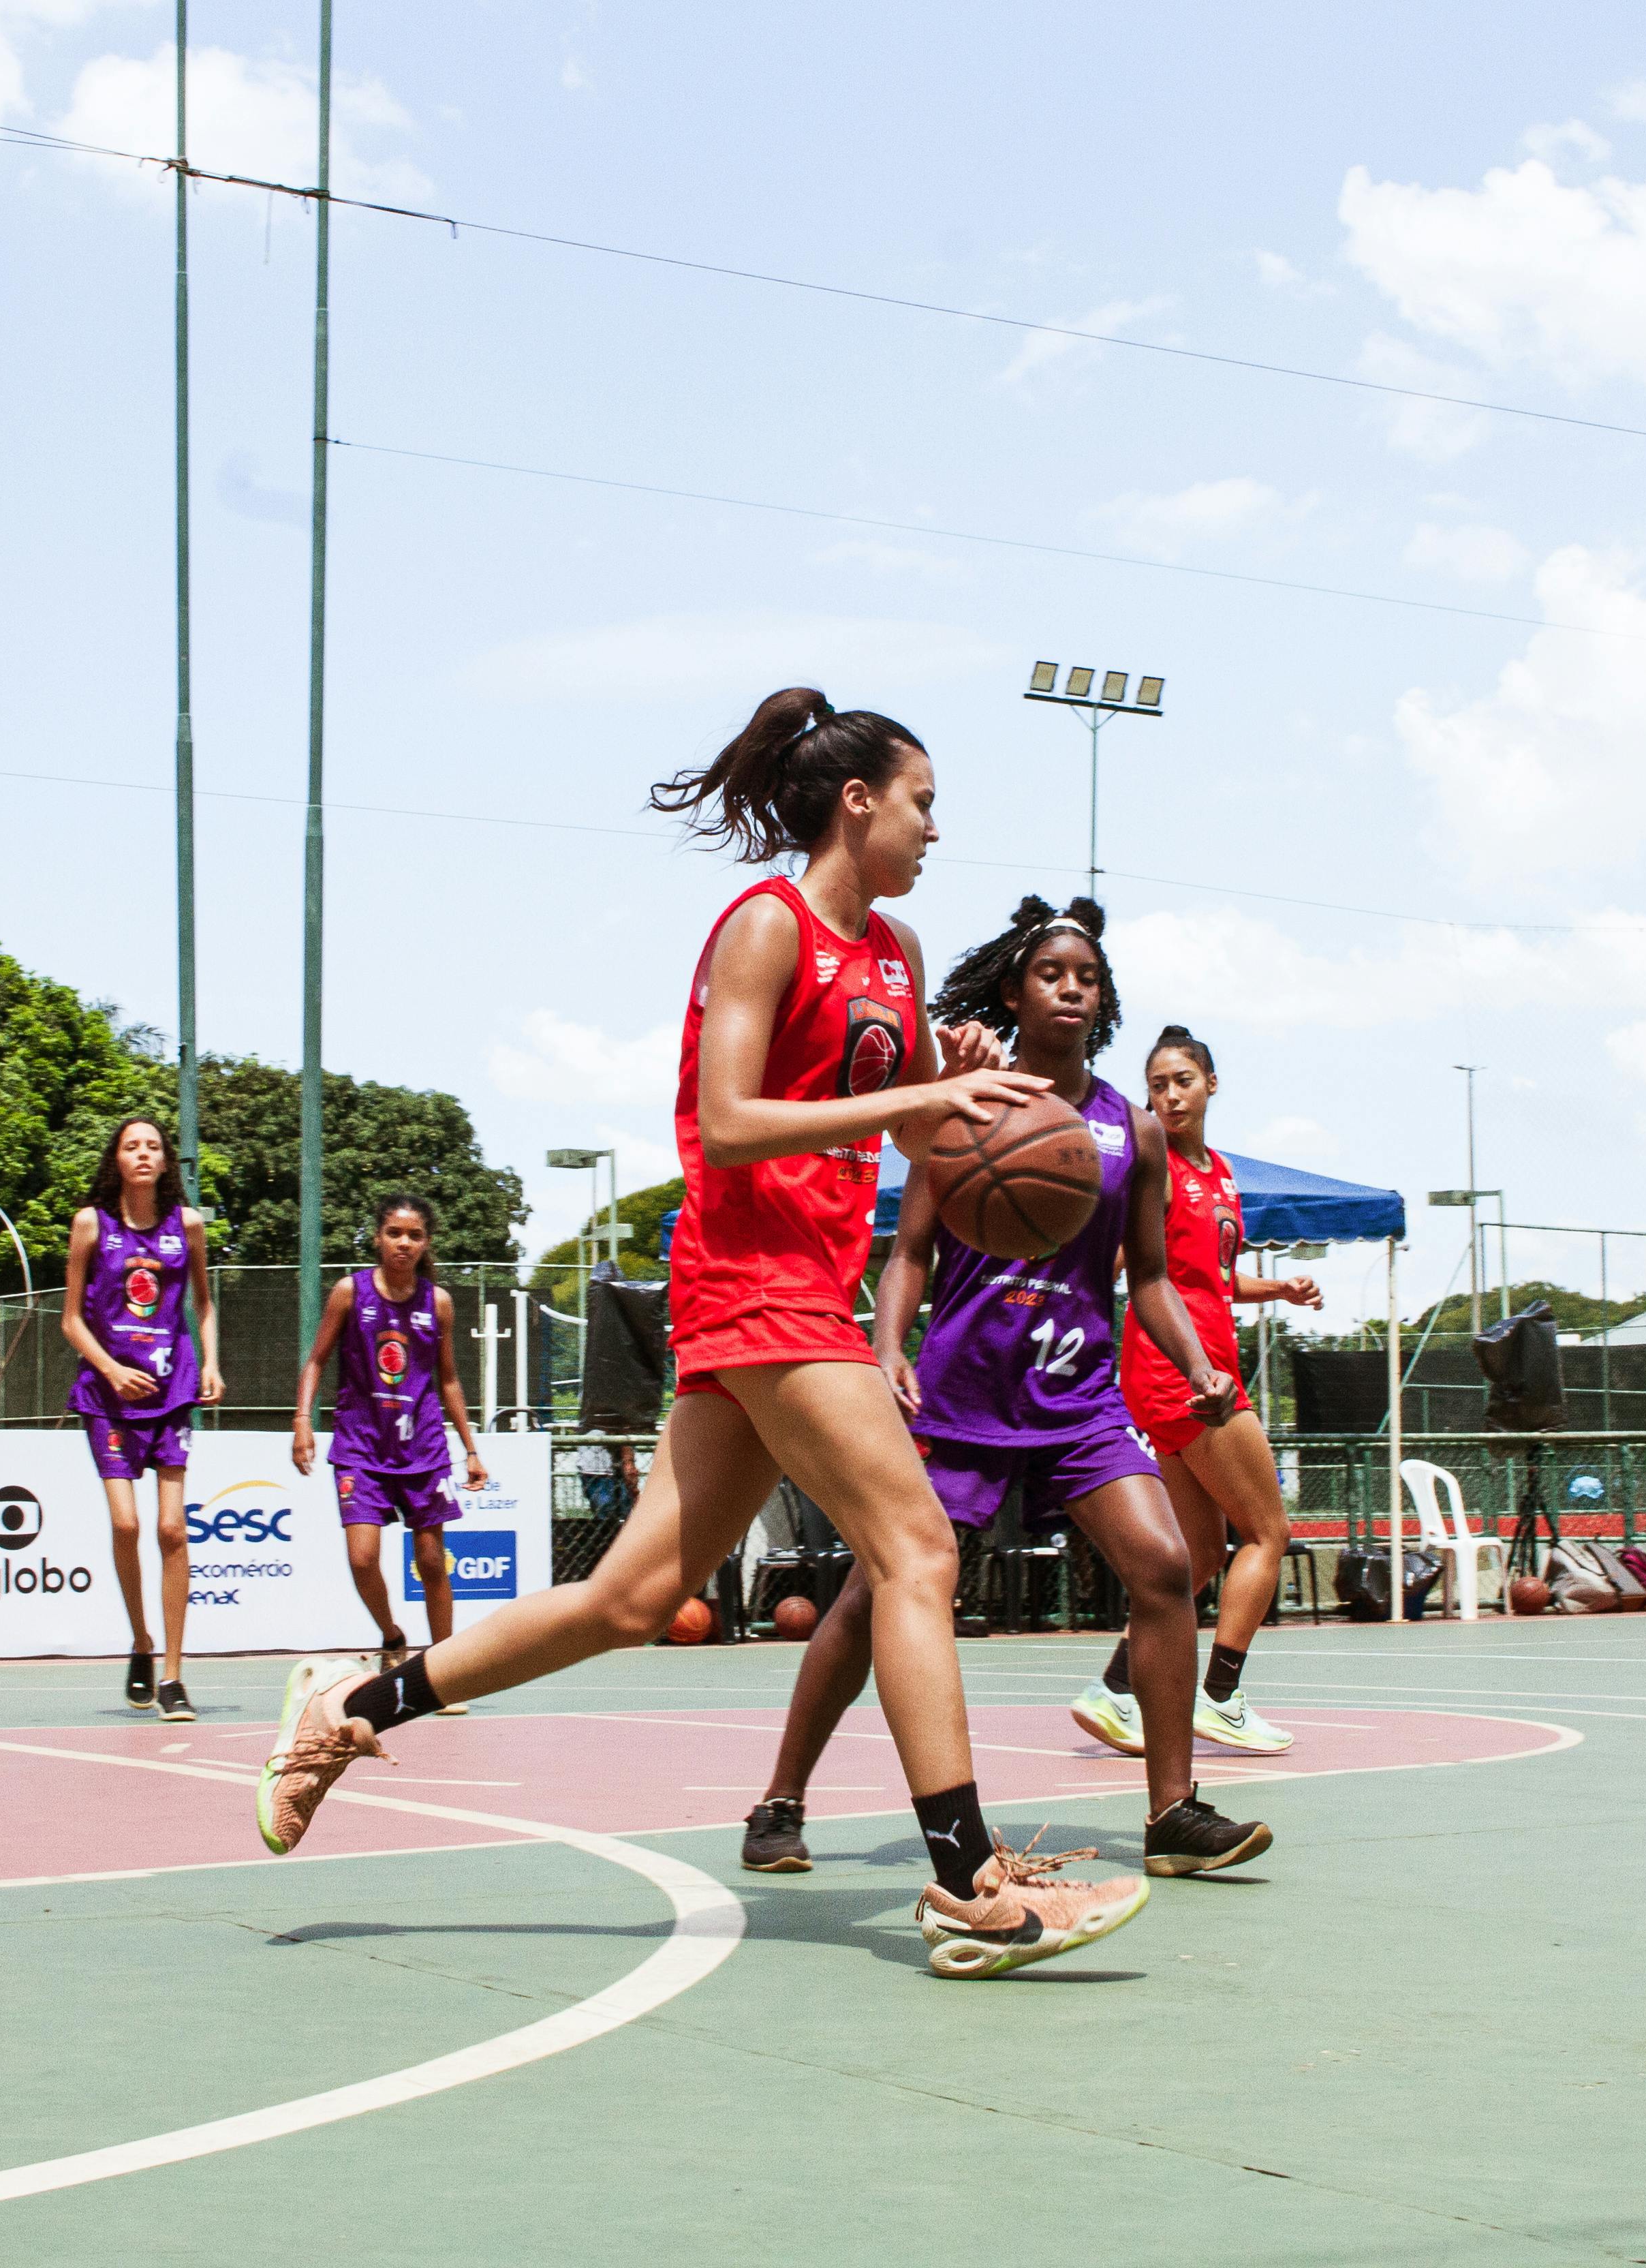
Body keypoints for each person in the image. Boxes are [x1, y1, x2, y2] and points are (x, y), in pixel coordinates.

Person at [256, 686, 1153, 1978]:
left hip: (809, 1281)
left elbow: (893, 1128)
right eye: (923, 802)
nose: (932, 830)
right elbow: (723, 1123)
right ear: (858, 802)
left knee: (629, 1598)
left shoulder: (894, 953)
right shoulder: (762, 927)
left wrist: (963, 1106)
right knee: (914, 1546)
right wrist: (920, 1088)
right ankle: (966, 1879)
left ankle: (352, 1700)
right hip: (749, 1279)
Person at [738, 898, 1270, 1881]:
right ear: (1015, 991)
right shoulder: (964, 1104)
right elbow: (909, 1255)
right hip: (964, 1397)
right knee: (870, 1598)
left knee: (1162, 1568)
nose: (1070, 988)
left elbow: (1146, 1277)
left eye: (1086, 978)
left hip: (1075, 1400)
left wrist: (1198, 1366)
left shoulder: (1132, 1130)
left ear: (1100, 1002)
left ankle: (1171, 1812)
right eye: (1050, 974)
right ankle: (779, 1799)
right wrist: (887, 1347)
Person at [1078, 1025, 1325, 1760]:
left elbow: (1209, 1280)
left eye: (1180, 1080)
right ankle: (1219, 1694)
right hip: (1184, 1376)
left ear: (1210, 1084)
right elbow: (1132, 1267)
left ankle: (1114, 1688)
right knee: (1268, 1532)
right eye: (1156, 1084)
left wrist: (1274, 1285)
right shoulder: (1151, 1176)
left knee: (1199, 1555)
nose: (1168, 1094)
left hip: (1207, 1364)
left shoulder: (1218, 1175)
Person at [293, 1193, 491, 1705]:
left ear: (426, 1244)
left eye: (415, 1235)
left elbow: (447, 1379)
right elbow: (316, 1361)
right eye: (395, 1233)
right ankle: (393, 1637)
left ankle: (443, 1671)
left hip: (421, 1447)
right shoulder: (349, 1293)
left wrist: (470, 1447)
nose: (404, 1243)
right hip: (361, 1445)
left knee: (431, 1559)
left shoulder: (437, 1302)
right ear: (378, 1238)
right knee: (363, 1557)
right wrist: (302, 1422)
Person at [63, 1116, 223, 1723]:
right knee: (127, 1525)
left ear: (166, 1161)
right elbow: (72, 1319)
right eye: (132, 1146)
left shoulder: (187, 1226)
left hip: (172, 1391)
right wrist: (110, 1369)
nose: (143, 1154)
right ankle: (140, 1641)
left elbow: (204, 1303)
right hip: (109, 1395)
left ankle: (175, 1677)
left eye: (153, 1146)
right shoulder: (91, 1224)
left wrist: (210, 1361)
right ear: (117, 1159)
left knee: (172, 1531)